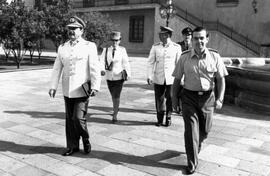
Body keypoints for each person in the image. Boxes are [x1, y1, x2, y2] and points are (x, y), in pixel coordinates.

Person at [172, 27, 228, 174]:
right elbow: (177, 80)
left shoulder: (215, 56)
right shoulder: (184, 57)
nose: (199, 41)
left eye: (202, 38)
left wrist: (220, 98)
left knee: (205, 130)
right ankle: (192, 162)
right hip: (188, 97)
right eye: (196, 38)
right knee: (191, 130)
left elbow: (221, 79)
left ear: (207, 39)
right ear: (192, 40)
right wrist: (173, 100)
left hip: (208, 99)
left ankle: (197, 144)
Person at [48, 16, 101, 156]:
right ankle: (72, 146)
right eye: (69, 29)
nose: (71, 31)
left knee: (78, 118)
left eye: (74, 29)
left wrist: (95, 86)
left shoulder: (89, 46)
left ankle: (85, 137)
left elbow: (94, 67)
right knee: (69, 119)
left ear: (81, 30)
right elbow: (57, 68)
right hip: (67, 89)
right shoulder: (62, 47)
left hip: (82, 89)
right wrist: (53, 86)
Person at [147, 26, 182, 127]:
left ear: (169, 35)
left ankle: (168, 117)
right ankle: (159, 118)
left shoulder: (176, 47)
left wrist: (180, 79)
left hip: (171, 78)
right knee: (159, 98)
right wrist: (149, 76)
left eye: (164, 35)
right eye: (160, 35)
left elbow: (179, 64)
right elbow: (150, 62)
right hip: (158, 77)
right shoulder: (156, 47)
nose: (161, 37)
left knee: (170, 98)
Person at [100, 31, 131, 123]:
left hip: (119, 76)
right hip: (109, 77)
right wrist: (102, 69)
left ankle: (115, 115)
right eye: (113, 40)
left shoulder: (122, 50)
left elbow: (126, 62)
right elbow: (101, 61)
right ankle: (115, 108)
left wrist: (128, 74)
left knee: (116, 95)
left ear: (119, 40)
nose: (114, 42)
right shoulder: (106, 50)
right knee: (112, 95)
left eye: (116, 40)